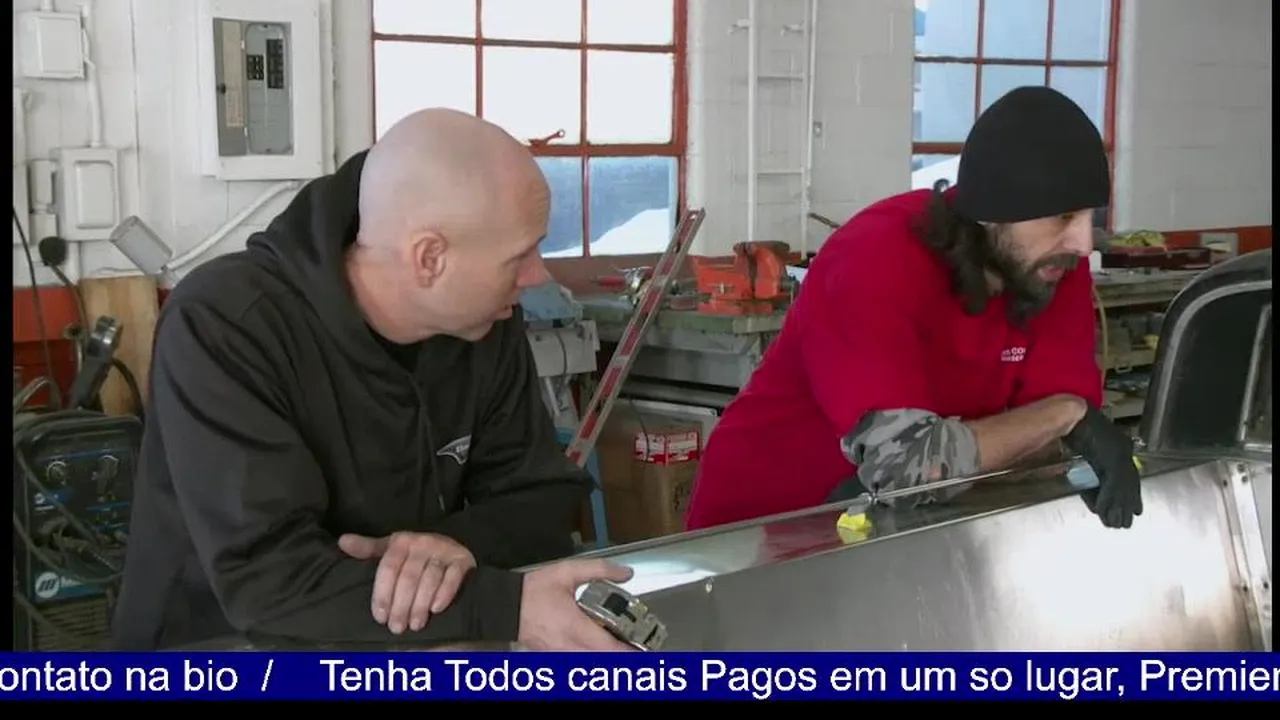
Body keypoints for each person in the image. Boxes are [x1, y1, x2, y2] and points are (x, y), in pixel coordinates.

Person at [112, 109, 634, 652]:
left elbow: (541, 496)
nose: (537, 275)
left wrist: (448, 551)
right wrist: (501, 607)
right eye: (519, 255)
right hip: (216, 650)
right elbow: (268, 580)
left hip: (403, 641)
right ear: (429, 258)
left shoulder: (483, 320)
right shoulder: (226, 325)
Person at [685, 86, 1143, 533]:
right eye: (1064, 217)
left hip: (897, 528)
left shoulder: (1050, 267)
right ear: (993, 211)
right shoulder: (875, 258)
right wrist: (1060, 418)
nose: (1083, 242)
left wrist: (1044, 429)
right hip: (764, 529)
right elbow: (907, 468)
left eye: (1091, 217)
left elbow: (1054, 447)